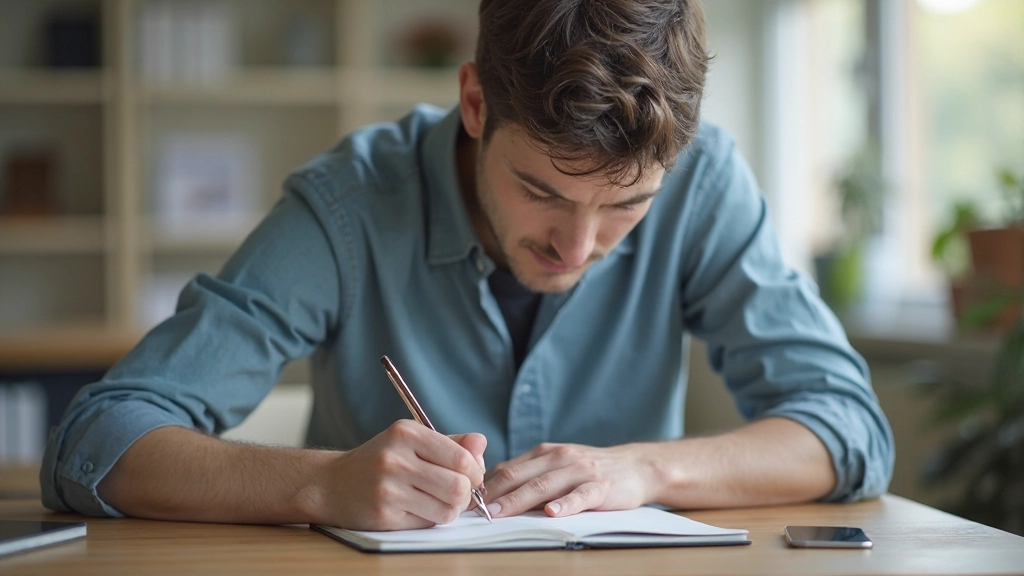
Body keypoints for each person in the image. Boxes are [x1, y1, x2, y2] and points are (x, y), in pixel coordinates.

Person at [41, 0, 894, 531]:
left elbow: (847, 425)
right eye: (542, 191)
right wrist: (320, 484)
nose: (577, 247)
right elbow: (99, 440)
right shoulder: (351, 202)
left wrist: (644, 469)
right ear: (476, 103)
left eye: (627, 208)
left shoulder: (705, 183)